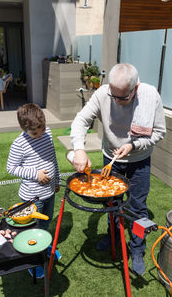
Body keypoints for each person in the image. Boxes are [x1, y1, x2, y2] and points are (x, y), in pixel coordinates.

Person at [70, 63, 166, 276]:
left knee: (138, 206)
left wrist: (133, 145)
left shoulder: (151, 96)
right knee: (111, 202)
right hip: (110, 157)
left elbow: (159, 132)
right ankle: (112, 236)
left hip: (138, 160)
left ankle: (137, 248)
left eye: (121, 97)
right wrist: (78, 149)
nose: (116, 101)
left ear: (135, 88)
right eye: (113, 95)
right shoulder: (104, 93)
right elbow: (81, 120)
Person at [7, 103, 61, 278]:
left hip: (49, 192)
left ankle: (45, 247)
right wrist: (34, 174)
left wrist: (57, 179)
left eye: (43, 128)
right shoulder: (19, 144)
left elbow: (52, 158)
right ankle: (33, 261)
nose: (41, 134)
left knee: (46, 222)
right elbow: (11, 168)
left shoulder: (48, 133)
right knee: (32, 229)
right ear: (24, 128)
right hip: (32, 197)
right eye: (36, 132)